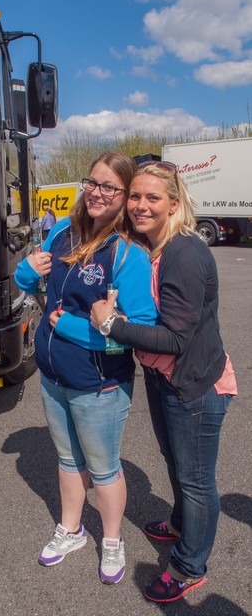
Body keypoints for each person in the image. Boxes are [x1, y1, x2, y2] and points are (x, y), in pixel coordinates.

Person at [90, 161, 237, 602]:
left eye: (153, 197)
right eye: (134, 196)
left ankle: (191, 565)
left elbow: (175, 337)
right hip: (163, 379)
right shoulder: (148, 246)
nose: (140, 205)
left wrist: (111, 325)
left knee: (196, 480)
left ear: (174, 203)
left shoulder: (185, 252)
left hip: (193, 387)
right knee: (174, 464)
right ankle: (179, 523)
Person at [14, 151, 158, 584]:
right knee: (66, 458)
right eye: (92, 182)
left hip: (99, 385)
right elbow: (33, 281)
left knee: (103, 467)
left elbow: (142, 329)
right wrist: (24, 272)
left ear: (124, 195)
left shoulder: (127, 253)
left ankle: (111, 539)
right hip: (54, 379)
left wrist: (75, 328)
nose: (97, 193)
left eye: (110, 187)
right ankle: (71, 529)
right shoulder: (62, 231)